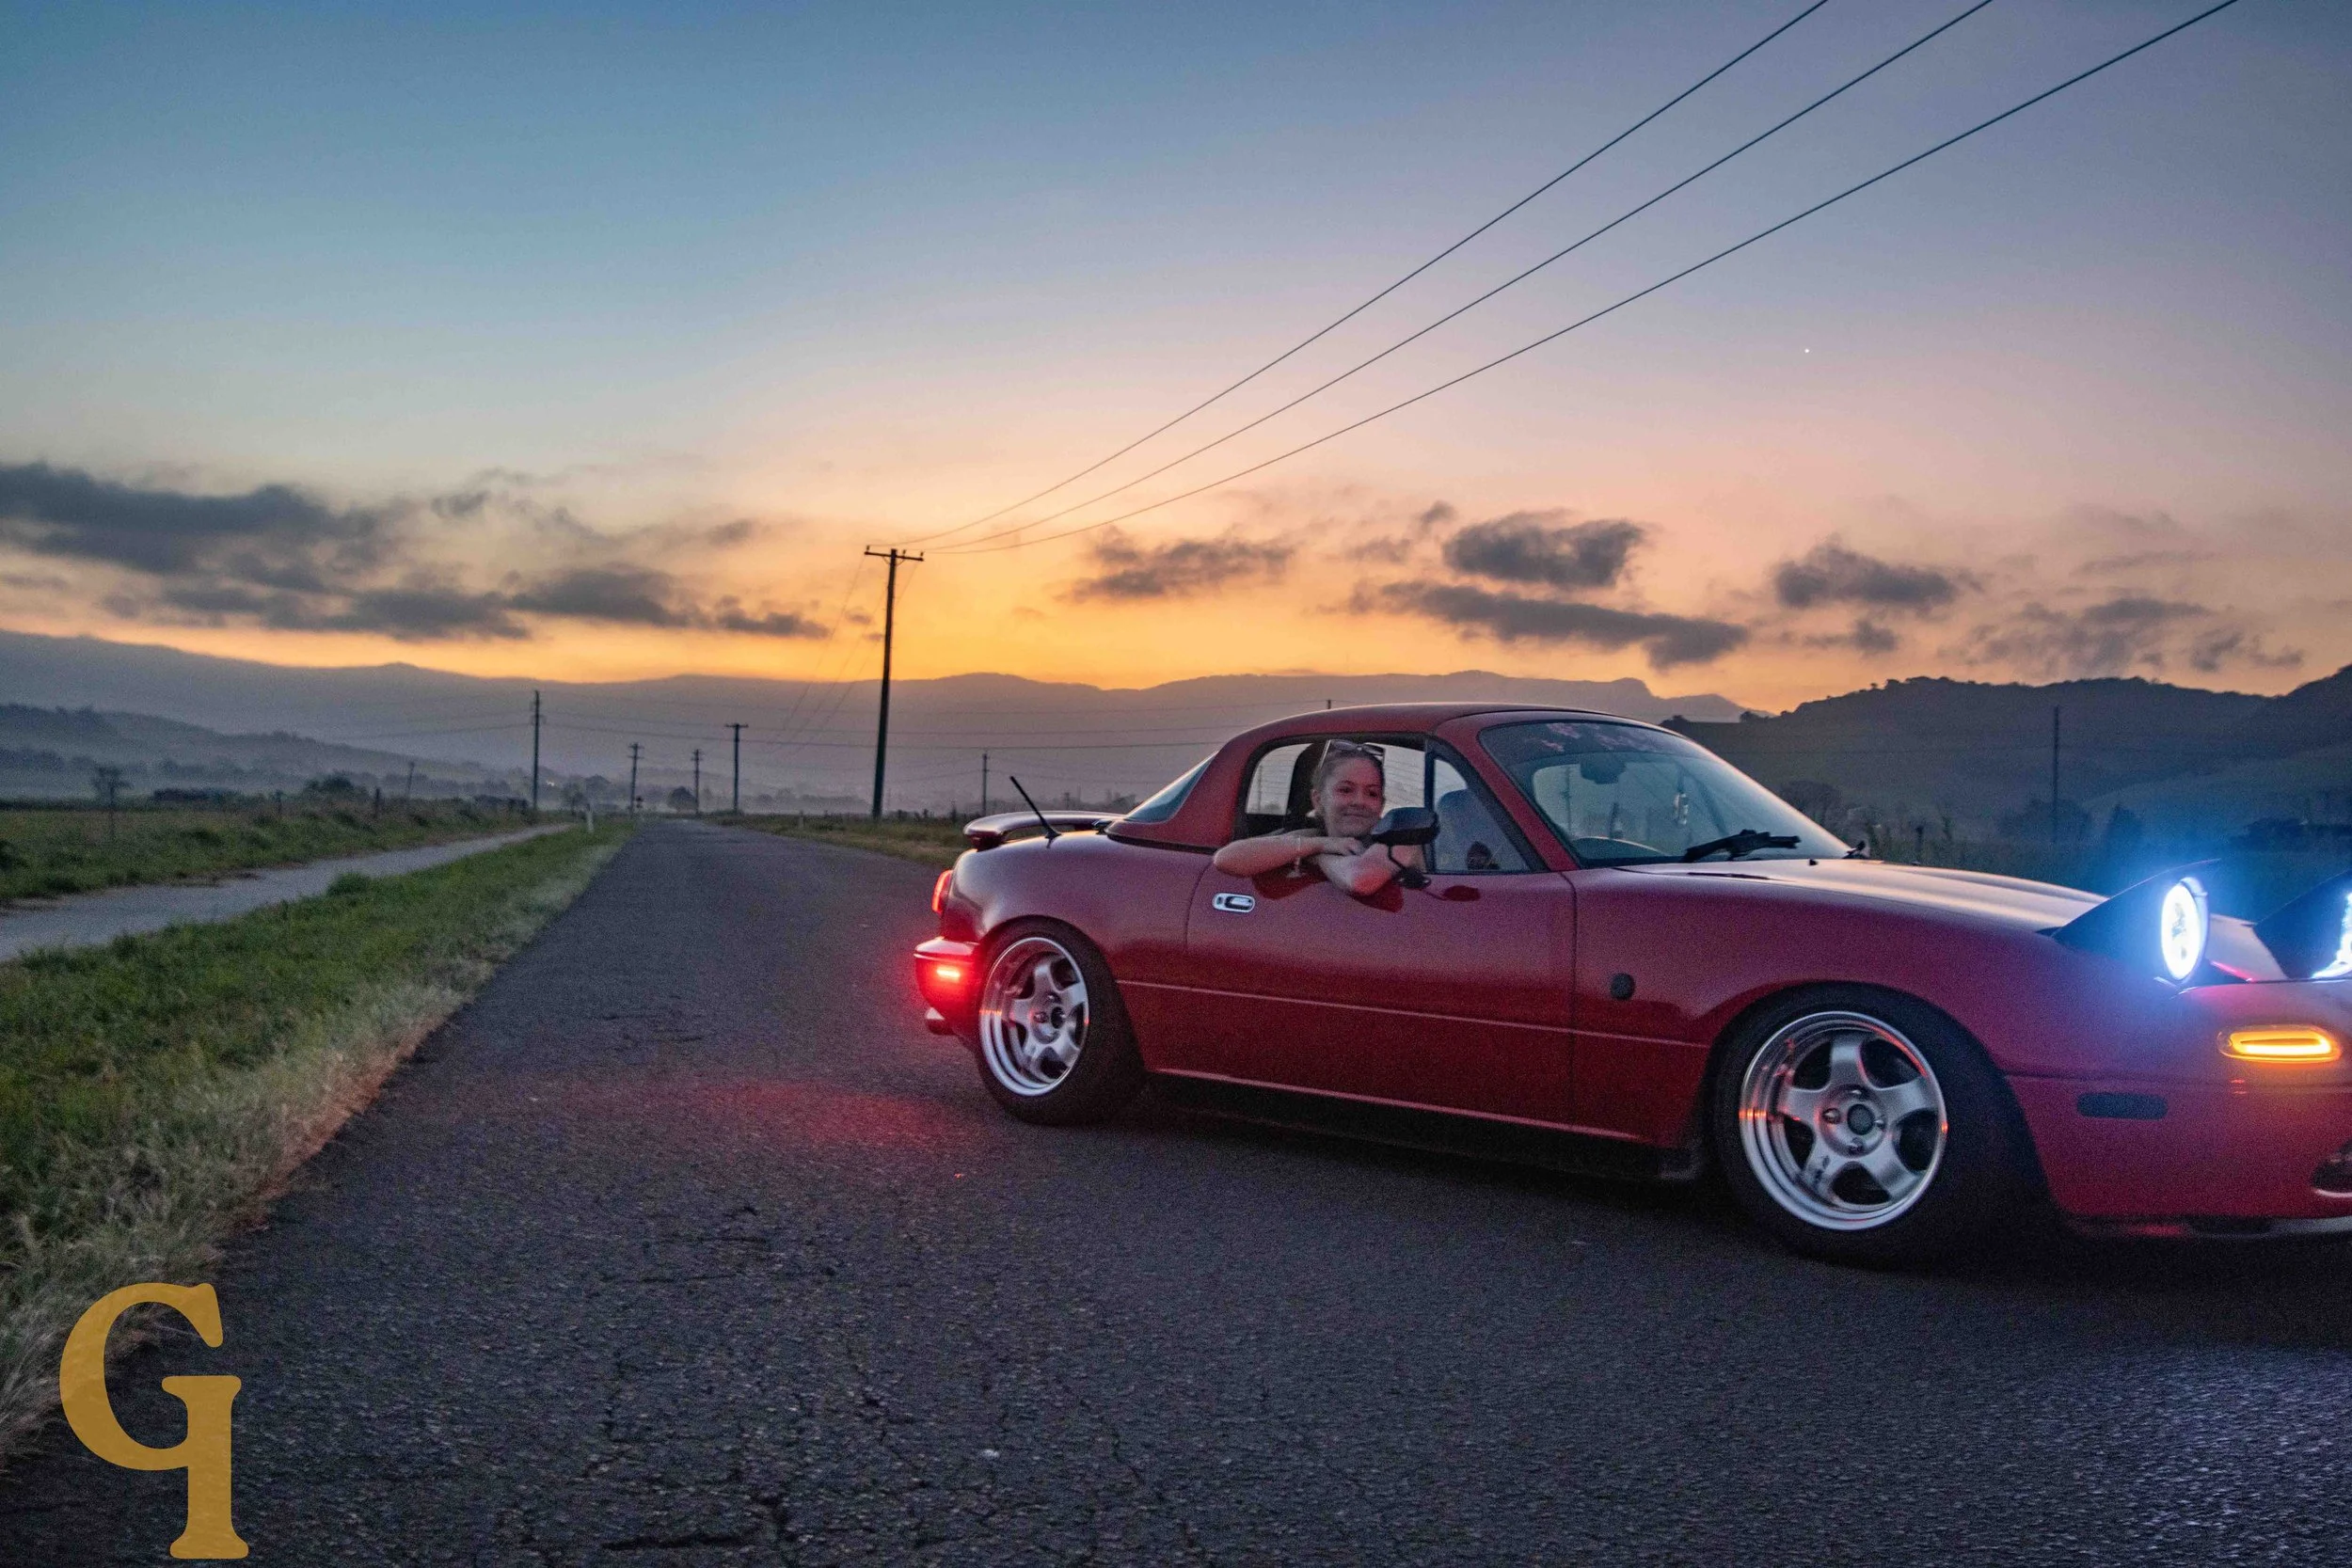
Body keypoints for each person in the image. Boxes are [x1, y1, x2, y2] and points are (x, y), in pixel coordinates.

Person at [1211, 740, 1422, 895]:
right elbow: (1227, 859)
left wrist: (1316, 854)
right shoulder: (1313, 837)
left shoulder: (1400, 840)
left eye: (1372, 793)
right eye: (1346, 790)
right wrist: (1318, 844)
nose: (1359, 801)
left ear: (1382, 805)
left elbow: (1361, 880)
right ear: (1318, 800)